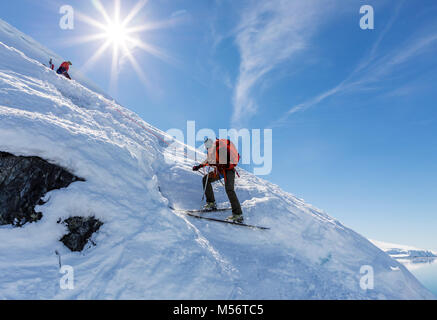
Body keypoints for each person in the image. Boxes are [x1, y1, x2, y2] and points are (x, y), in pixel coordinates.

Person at [193, 138, 243, 223]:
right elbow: (208, 161)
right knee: (206, 179)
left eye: (207, 145)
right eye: (206, 146)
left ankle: (238, 215)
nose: (207, 147)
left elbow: (224, 161)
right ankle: (211, 203)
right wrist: (199, 166)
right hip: (220, 171)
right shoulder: (211, 152)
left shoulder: (219, 148)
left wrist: (216, 163)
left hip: (228, 171)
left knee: (229, 190)